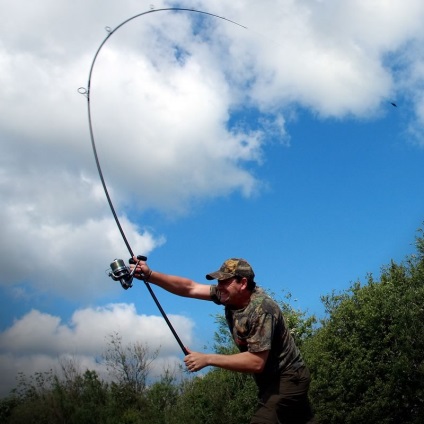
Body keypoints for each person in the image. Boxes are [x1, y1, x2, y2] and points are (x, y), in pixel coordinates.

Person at [131, 257, 316, 424]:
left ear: (243, 283)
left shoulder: (262, 309)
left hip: (288, 378)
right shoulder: (228, 295)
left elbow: (256, 362)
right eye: (218, 281)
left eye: (225, 281)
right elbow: (190, 288)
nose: (219, 286)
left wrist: (207, 359)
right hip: (269, 382)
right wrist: (150, 275)